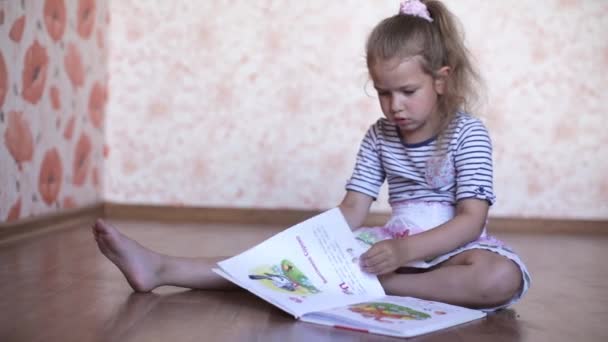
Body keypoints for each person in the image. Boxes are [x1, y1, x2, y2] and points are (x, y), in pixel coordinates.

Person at [93, 0, 530, 311]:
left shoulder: (467, 133)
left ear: (440, 80)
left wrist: (406, 254)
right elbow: (353, 210)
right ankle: (165, 268)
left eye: (407, 92)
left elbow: (471, 219)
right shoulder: (379, 136)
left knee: (499, 277)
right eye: (383, 93)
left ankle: (379, 287)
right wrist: (301, 247)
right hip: (391, 247)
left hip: (450, 250)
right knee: (288, 266)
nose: (394, 105)